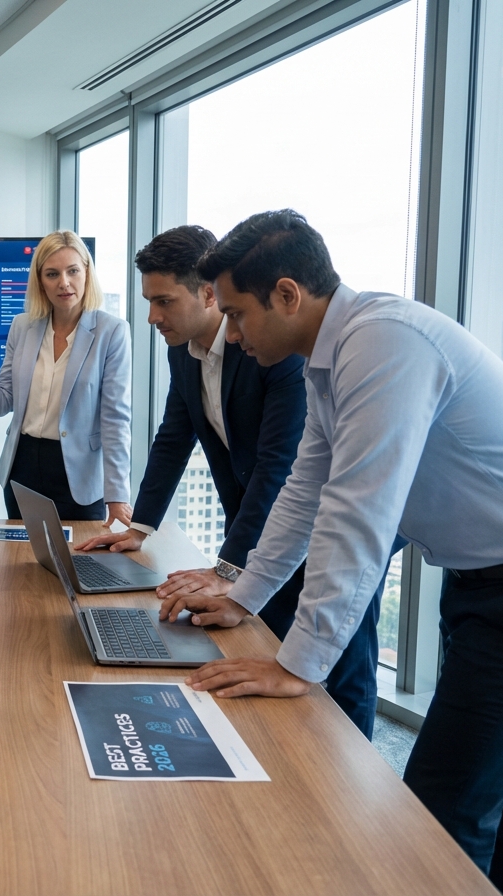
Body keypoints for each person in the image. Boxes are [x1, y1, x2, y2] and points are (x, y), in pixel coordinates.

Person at [158, 210, 503, 896]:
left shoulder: (385, 344)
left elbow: (356, 513)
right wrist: (243, 594)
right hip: (485, 582)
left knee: (442, 813)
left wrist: (298, 665)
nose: (232, 336)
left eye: (238, 315)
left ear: (289, 295)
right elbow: (305, 491)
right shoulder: (329, 360)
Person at [77, 224, 388, 737]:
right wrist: (142, 526)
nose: (152, 317)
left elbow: (285, 470)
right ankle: (290, 758)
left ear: (207, 294)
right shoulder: (187, 351)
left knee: (341, 664)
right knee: (272, 650)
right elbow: (175, 437)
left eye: (163, 301)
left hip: (326, 531)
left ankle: (350, 772)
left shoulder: (287, 351)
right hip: (273, 523)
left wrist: (230, 568)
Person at [0, 230, 132, 523]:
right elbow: (3, 401)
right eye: (52, 274)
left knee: (80, 564)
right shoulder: (22, 326)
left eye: (73, 271)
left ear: (87, 273)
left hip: (79, 475)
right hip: (24, 466)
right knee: (23, 561)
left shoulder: (112, 332)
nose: (64, 282)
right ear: (41, 281)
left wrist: (117, 496)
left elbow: (115, 420)